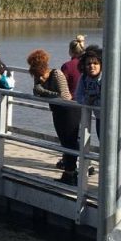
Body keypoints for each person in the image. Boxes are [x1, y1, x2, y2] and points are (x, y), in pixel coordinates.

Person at [28, 49, 81, 184]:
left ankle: (71, 173)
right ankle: (70, 172)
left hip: (69, 111)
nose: (35, 73)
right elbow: (36, 92)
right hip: (57, 111)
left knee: (70, 142)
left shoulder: (57, 74)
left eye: (35, 68)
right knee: (64, 142)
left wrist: (44, 92)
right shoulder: (37, 77)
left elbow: (65, 96)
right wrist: (39, 88)